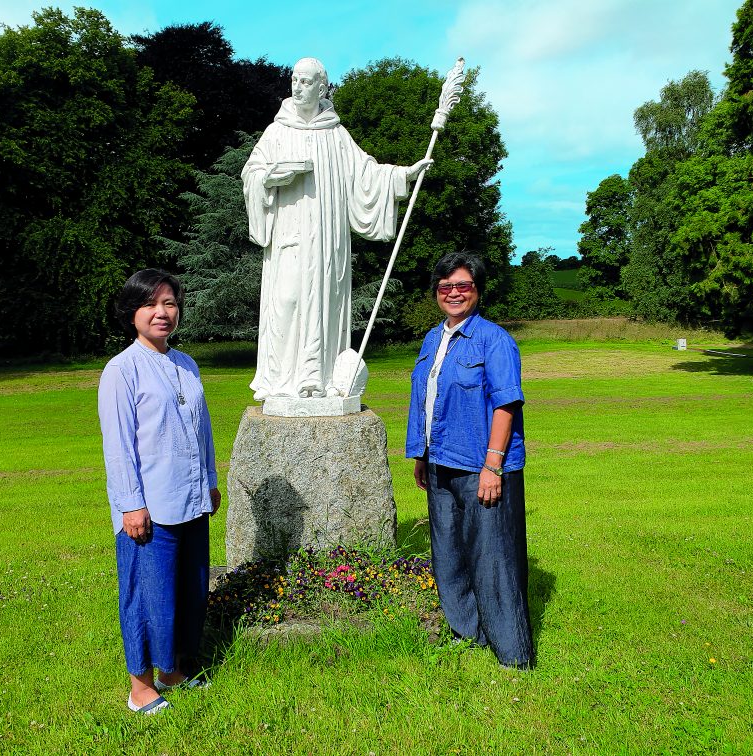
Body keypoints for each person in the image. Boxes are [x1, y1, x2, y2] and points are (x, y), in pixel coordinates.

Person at [242, 57, 432, 401]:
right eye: (295, 80)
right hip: (289, 234)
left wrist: (402, 174)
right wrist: (273, 176)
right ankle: (281, 382)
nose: (298, 88)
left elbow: (365, 173)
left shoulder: (336, 134)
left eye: (306, 82)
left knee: (323, 302)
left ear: (322, 87)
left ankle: (319, 378)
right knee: (286, 299)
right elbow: (251, 174)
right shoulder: (276, 132)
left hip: (327, 241)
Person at [98, 269, 221, 714]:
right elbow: (118, 446)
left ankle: (172, 670)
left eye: (169, 303)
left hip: (190, 499)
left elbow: (202, 429)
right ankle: (141, 686)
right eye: (151, 304)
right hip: (149, 507)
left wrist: (209, 479)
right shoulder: (121, 370)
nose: (161, 313)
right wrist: (131, 504)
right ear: (132, 313)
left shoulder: (186, 363)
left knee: (188, 590)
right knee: (147, 594)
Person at [405, 252, 535, 668]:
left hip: (483, 468)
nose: (454, 293)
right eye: (445, 287)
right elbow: (427, 402)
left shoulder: (494, 340)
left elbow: (505, 404)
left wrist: (493, 466)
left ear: (477, 290)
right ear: (436, 294)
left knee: (493, 559)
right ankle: (468, 634)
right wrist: (423, 456)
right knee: (449, 554)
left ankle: (512, 654)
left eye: (462, 285)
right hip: (441, 463)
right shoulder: (431, 340)